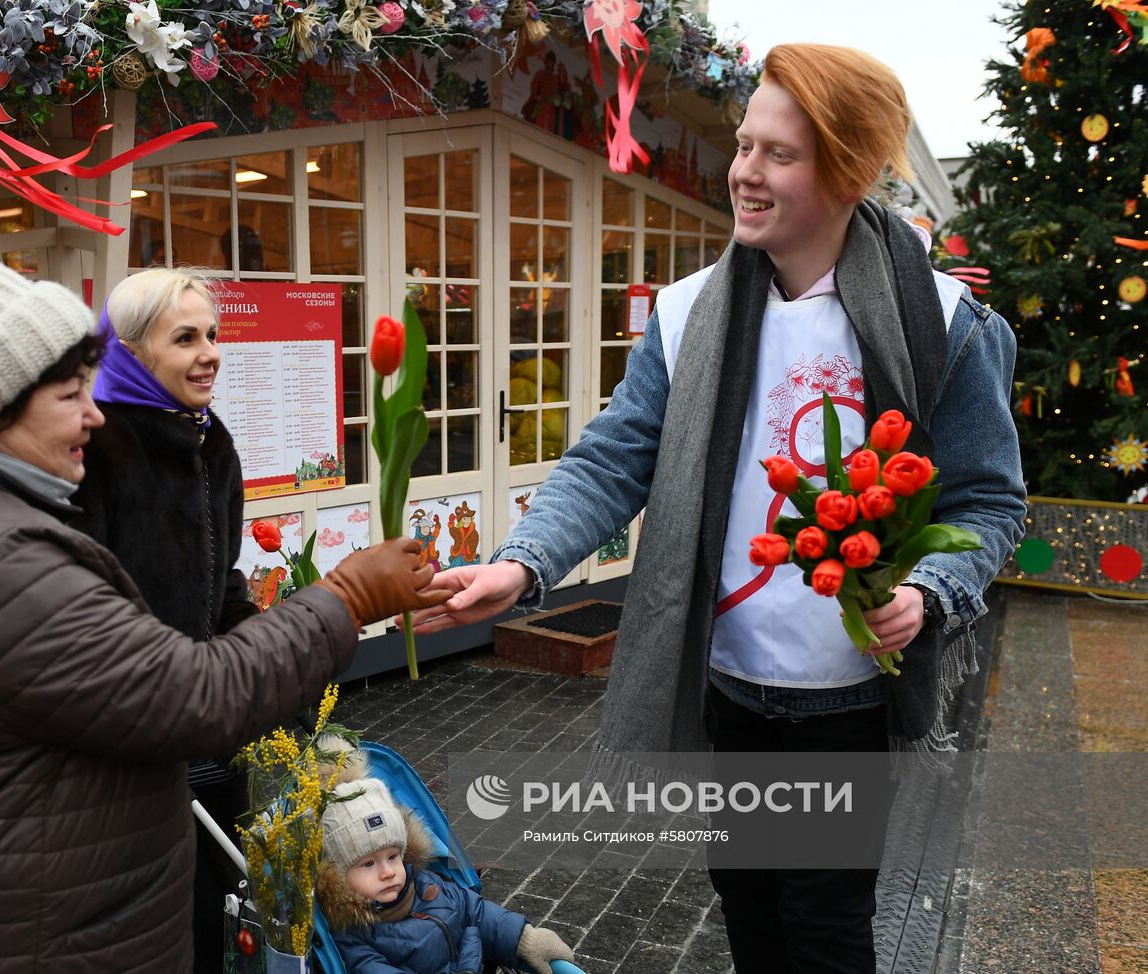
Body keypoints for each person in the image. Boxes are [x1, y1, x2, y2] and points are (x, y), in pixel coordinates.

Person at [415, 44, 1026, 974]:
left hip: (850, 699)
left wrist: (931, 589)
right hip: (728, 683)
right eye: (745, 145)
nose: (743, 170)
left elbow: (988, 499)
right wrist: (524, 561)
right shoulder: (688, 312)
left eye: (777, 153)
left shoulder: (944, 322)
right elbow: (616, 457)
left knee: (823, 932)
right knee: (746, 905)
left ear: (849, 168)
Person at [0, 256, 448, 972]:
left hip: (47, 894)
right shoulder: (4, 555)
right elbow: (191, 694)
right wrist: (350, 596)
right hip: (12, 932)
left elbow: (210, 597)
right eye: (69, 393)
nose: (92, 412)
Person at [69, 267, 255, 973]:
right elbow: (84, 610)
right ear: (131, 351)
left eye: (212, 334)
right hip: (134, 738)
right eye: (185, 338)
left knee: (225, 902)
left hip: (214, 720)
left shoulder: (215, 442)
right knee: (152, 919)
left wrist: (255, 647)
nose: (210, 351)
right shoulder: (98, 451)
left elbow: (223, 576)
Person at [316, 756, 575, 974]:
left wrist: (524, 940)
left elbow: (476, 912)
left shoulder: (428, 886)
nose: (387, 872)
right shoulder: (352, 938)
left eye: (393, 857)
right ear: (338, 875)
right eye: (369, 864)